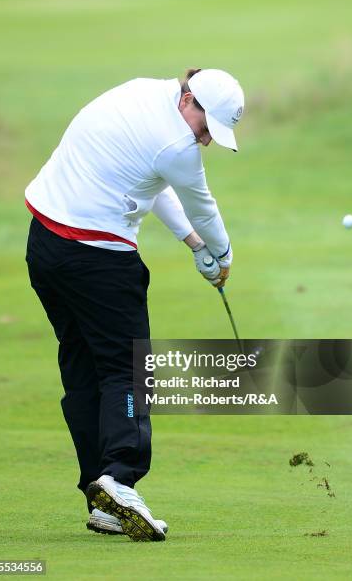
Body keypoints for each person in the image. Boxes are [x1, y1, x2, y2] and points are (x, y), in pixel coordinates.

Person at [25, 68, 244, 542]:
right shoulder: (179, 146)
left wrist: (191, 243)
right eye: (206, 129)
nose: (205, 141)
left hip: (44, 246)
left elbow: (154, 181)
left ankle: (100, 495)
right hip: (97, 258)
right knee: (127, 369)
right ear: (190, 99)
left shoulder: (141, 93)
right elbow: (201, 203)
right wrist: (221, 255)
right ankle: (120, 477)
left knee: (82, 366)